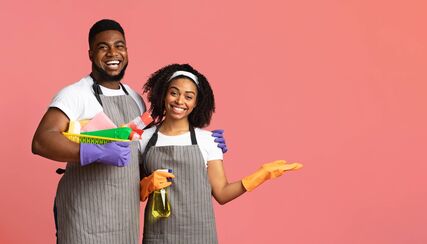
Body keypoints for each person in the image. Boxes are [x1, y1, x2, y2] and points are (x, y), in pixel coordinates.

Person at [31, 20, 227, 244]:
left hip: (125, 218)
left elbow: (149, 151)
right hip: (83, 215)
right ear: (90, 53)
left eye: (119, 45)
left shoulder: (135, 100)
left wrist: (207, 145)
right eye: (103, 47)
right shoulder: (75, 94)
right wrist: (95, 152)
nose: (112, 53)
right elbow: (42, 140)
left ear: (126, 50)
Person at [139, 63, 302, 244]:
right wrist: (145, 185)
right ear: (163, 94)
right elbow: (129, 192)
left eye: (189, 96)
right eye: (174, 93)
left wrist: (261, 175)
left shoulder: (208, 140)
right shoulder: (143, 139)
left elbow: (222, 193)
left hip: (200, 235)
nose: (180, 101)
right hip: (159, 235)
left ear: (196, 103)